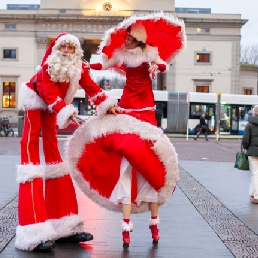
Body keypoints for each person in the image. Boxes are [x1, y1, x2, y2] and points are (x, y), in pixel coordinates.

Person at [16, 32, 117, 252]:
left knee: (55, 159)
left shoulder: (78, 68)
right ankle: (32, 230)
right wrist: (65, 110)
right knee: (31, 150)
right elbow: (48, 92)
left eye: (71, 48)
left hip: (55, 105)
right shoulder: (47, 68)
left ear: (76, 51)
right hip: (36, 99)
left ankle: (64, 224)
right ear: (56, 49)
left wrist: (107, 104)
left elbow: (91, 87)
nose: (67, 51)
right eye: (64, 47)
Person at [84, 23, 177, 248]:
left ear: (139, 40)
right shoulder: (122, 55)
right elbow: (103, 63)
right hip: (127, 111)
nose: (125, 41)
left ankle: (154, 222)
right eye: (125, 38)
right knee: (126, 166)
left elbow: (163, 64)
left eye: (129, 38)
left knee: (150, 167)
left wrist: (158, 65)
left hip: (145, 113)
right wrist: (88, 64)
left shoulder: (150, 54)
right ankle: (125, 226)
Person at [242, 105, 258, 204]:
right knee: (255, 174)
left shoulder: (249, 125)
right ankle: (252, 193)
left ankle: (256, 196)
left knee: (255, 173)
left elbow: (245, 140)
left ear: (254, 113)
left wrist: (248, 148)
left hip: (253, 153)